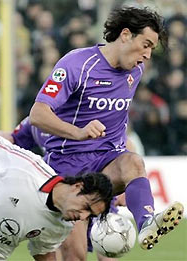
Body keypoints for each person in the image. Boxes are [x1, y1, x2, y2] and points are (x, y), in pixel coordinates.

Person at [28, 5, 185, 260]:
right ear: (125, 35)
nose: (147, 55)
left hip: (107, 163)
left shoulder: (135, 71)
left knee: (134, 162)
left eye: (151, 49)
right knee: (75, 256)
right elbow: (38, 114)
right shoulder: (77, 64)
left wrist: (127, 187)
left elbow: (118, 120)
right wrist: (78, 133)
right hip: (69, 168)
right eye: (145, 44)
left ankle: (146, 222)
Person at [0, 119, 126, 261]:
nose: (83, 217)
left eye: (90, 215)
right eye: (86, 207)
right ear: (78, 186)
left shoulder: (61, 228)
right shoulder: (27, 167)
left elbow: (43, 253)